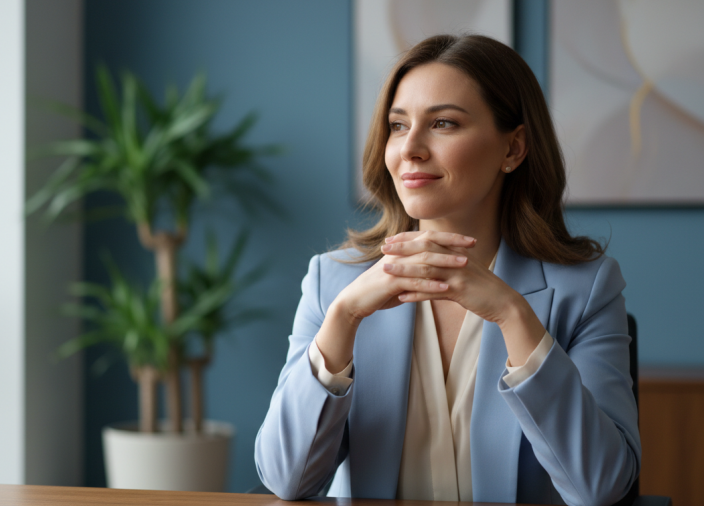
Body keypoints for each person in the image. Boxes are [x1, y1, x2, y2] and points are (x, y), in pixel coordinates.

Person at [254, 34, 640, 506]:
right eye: (398, 126)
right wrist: (343, 318)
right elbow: (285, 480)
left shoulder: (587, 289)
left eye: (443, 123)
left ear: (513, 149)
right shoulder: (332, 283)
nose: (410, 149)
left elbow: (600, 487)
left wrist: (512, 315)